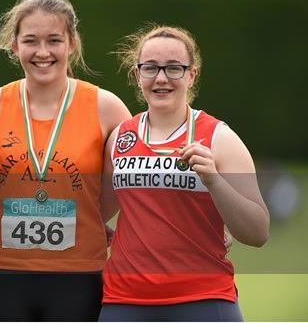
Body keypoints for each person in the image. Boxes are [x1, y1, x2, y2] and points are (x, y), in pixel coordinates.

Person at [0, 0, 131, 321]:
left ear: (72, 43)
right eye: (31, 41)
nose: (43, 52)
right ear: (14, 46)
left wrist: (203, 224)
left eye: (54, 40)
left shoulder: (107, 107)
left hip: (80, 273)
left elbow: (141, 173)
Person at [99, 25, 270, 321]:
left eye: (174, 68)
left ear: (192, 75)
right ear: (137, 74)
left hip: (202, 298)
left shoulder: (220, 138)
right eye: (150, 67)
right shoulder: (120, 137)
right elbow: (98, 212)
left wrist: (214, 182)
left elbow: (257, 232)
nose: (162, 78)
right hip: (124, 300)